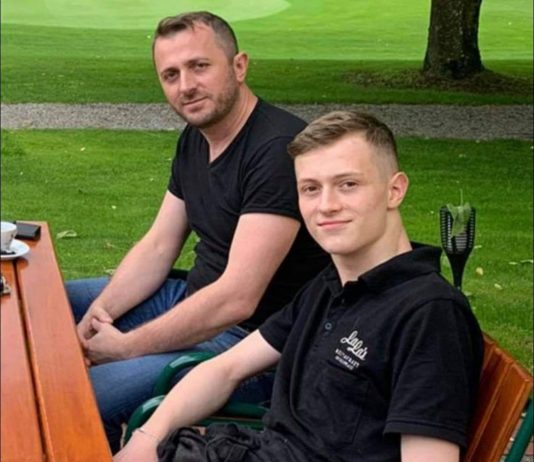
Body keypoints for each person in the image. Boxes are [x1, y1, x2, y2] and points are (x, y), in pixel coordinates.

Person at [113, 111, 484, 462]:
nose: (326, 205)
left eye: (348, 185)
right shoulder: (330, 286)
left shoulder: (428, 315)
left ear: (395, 190)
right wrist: (147, 437)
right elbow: (225, 368)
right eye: (310, 189)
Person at [67, 11, 328, 453]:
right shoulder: (196, 137)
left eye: (199, 66)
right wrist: (98, 314)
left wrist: (126, 347)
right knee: (52, 305)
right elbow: (158, 246)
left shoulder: (276, 150)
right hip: (192, 297)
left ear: (239, 66)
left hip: (253, 343)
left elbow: (237, 298)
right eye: (170, 75)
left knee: (82, 396)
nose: (185, 85)